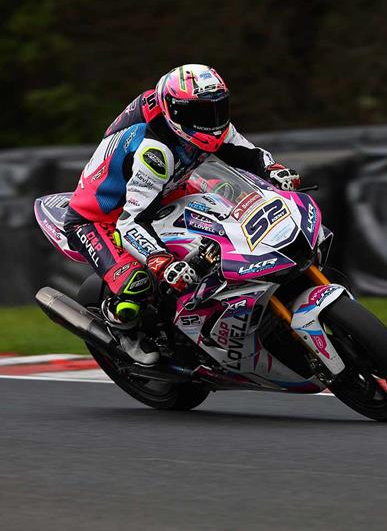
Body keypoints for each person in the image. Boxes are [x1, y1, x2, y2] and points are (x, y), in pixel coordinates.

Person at [64, 64, 301, 365]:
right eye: (203, 114)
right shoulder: (154, 152)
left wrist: (273, 170)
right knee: (137, 283)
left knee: (224, 220)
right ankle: (121, 327)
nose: (213, 122)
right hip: (100, 217)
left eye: (219, 109)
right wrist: (161, 263)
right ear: (175, 112)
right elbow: (130, 222)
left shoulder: (209, 126)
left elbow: (248, 154)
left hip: (166, 191)